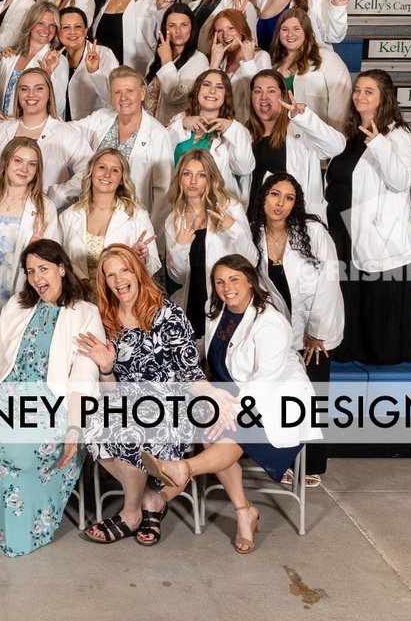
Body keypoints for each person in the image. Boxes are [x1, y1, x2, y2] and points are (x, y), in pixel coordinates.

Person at [144, 255, 319, 554]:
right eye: (220, 282)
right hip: (231, 393)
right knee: (206, 424)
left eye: (234, 279)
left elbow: (265, 380)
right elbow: (210, 348)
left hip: (275, 401)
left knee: (221, 431)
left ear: (250, 280)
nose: (227, 287)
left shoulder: (270, 322)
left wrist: (230, 411)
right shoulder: (217, 312)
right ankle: (244, 511)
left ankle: (181, 471)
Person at [0, 239, 102, 557]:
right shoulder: (19, 304)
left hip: (53, 401)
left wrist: (75, 427)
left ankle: (18, 531)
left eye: (43, 269)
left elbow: (83, 378)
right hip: (5, 390)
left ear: (61, 267)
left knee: (20, 453)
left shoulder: (86, 313)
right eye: (30, 271)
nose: (36, 277)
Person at [77, 244, 202, 545]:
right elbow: (113, 391)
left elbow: (190, 375)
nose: (118, 280)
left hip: (171, 404)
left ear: (138, 272)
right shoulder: (107, 319)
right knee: (88, 423)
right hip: (126, 401)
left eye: (124, 270)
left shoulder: (167, 314)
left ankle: (130, 512)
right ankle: (152, 500)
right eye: (110, 275)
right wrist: (107, 369)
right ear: (104, 282)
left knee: (133, 428)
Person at [251, 172, 344, 486]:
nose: (280, 203)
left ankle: (313, 463)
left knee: (314, 397)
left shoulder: (313, 232)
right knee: (283, 397)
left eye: (289, 198)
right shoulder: (253, 233)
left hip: (312, 332)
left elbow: (328, 283)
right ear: (263, 197)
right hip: (274, 332)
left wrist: (317, 331)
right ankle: (286, 460)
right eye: (275, 195)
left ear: (297, 203)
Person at [325, 70, 411, 365]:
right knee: (350, 292)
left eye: (369, 91)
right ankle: (349, 347)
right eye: (357, 90)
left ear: (384, 98)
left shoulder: (397, 135)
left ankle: (382, 356)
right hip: (344, 228)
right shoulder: (351, 133)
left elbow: (402, 180)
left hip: (382, 234)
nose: (359, 96)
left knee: (381, 297)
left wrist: (379, 143)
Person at [0, 138, 60, 326]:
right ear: (5, 162)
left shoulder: (44, 207)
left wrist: (40, 251)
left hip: (23, 296)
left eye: (32, 164)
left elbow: (54, 264)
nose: (24, 169)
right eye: (18, 161)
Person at [164, 149, 258, 339]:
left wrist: (234, 229)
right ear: (179, 178)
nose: (193, 181)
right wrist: (180, 248)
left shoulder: (230, 207)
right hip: (194, 301)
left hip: (229, 298)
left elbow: (251, 261)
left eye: (201, 175)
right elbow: (179, 277)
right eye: (187, 174)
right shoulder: (173, 219)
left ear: (210, 178)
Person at [0, 68, 87, 208]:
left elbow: (87, 170)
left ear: (49, 93)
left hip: (44, 214)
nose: (31, 94)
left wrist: (59, 194)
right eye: (24, 89)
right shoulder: (0, 128)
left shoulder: (67, 133)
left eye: (39, 88)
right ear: (18, 94)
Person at [243, 70, 345, 221]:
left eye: (271, 91)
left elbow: (336, 147)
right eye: (257, 91)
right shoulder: (244, 134)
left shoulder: (300, 129)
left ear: (283, 95)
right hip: (254, 221)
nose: (263, 97)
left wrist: (304, 118)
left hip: (294, 223)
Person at [58, 149, 160, 294]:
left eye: (115, 170)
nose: (107, 174)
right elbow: (58, 263)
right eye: (102, 167)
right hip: (78, 301)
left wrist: (140, 259)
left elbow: (153, 266)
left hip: (120, 301)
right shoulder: (68, 216)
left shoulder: (137, 215)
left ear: (122, 179)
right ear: (91, 171)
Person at [77, 66, 174, 216]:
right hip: (94, 214)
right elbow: (66, 131)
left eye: (129, 91)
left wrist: (150, 230)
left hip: (133, 219)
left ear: (142, 93)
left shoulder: (158, 134)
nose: (123, 98)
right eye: (117, 92)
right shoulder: (100, 118)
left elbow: (164, 192)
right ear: (111, 97)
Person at [166, 69, 255, 202]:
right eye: (206, 85)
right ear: (197, 90)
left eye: (219, 87)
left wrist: (231, 129)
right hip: (177, 205)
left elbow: (244, 168)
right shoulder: (179, 122)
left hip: (214, 208)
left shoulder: (235, 131)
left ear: (226, 95)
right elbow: (159, 152)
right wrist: (182, 123)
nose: (212, 91)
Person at [268, 7, 353, 129]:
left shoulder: (328, 59)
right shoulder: (272, 63)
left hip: (317, 140)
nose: (290, 34)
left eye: (296, 29)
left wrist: (336, 140)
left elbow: (341, 107)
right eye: (284, 29)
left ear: (306, 32)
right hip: (282, 137)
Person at [0, 2, 68, 120]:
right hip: (2, 128)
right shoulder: (10, 56)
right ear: (30, 23)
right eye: (40, 23)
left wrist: (48, 76)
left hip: (32, 130)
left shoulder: (58, 61)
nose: (46, 30)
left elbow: (59, 107)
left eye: (52, 25)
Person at [145, 2, 206, 125]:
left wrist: (167, 61)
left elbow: (175, 96)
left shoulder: (199, 59)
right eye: (172, 25)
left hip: (175, 129)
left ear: (192, 28)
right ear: (165, 29)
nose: (178, 31)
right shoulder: (156, 58)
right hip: (151, 127)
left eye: (184, 25)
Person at [206, 9, 270, 121]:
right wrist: (213, 67)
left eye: (231, 28)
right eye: (220, 31)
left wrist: (249, 63)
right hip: (218, 127)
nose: (225, 35)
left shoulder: (261, 57)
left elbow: (261, 101)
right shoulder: (220, 61)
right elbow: (205, 99)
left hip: (248, 128)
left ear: (241, 29)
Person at [62, 5, 116, 121]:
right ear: (58, 32)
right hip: (63, 129)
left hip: (95, 129)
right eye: (66, 27)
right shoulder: (56, 59)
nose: (72, 32)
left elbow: (113, 98)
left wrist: (94, 72)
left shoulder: (104, 54)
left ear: (86, 30)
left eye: (78, 26)